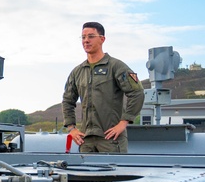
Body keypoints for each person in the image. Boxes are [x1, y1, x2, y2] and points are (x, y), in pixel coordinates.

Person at [62, 21, 145, 153]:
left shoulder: (116, 66)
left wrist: (123, 123)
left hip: (111, 139)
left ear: (102, 39)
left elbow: (137, 93)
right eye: (83, 37)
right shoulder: (78, 72)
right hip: (86, 140)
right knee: (85, 173)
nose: (86, 41)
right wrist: (72, 128)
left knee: (114, 173)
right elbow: (67, 100)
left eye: (91, 36)